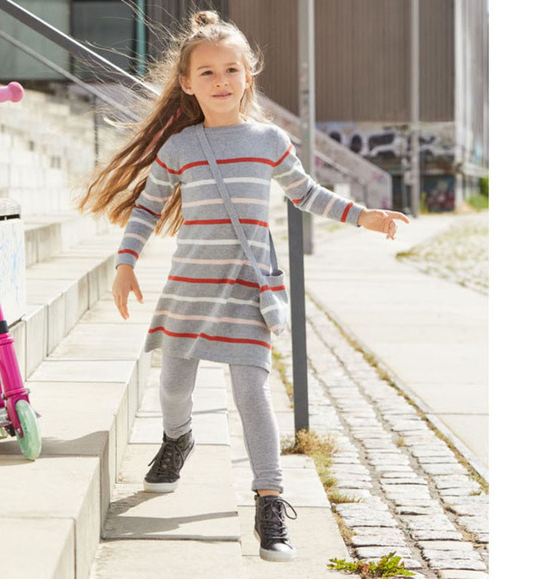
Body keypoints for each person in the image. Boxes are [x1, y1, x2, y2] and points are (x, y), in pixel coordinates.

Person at [78, 10, 409, 562]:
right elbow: (146, 208)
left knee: (252, 393)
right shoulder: (179, 148)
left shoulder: (268, 139)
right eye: (206, 73)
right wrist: (126, 262)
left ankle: (270, 499)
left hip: (248, 289)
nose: (221, 81)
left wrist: (362, 216)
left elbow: (306, 193)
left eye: (231, 69)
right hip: (191, 285)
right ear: (187, 83)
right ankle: (178, 438)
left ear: (248, 74)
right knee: (174, 384)